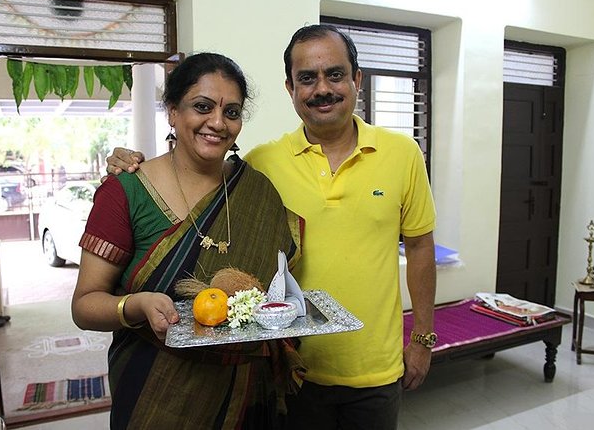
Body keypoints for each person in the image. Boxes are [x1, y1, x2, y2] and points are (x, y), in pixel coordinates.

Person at [107, 25, 436, 430]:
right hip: (288, 366)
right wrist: (131, 162)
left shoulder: (403, 154)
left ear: (357, 79)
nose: (322, 89)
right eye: (307, 78)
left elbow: (420, 247)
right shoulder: (261, 165)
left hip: (376, 369)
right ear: (290, 87)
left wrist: (422, 338)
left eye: (335, 74)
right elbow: (197, 168)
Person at [72, 52, 305, 430]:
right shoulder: (126, 191)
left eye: (232, 112)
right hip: (156, 394)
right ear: (172, 112)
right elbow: (84, 305)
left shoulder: (256, 189)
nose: (217, 122)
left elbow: (277, 292)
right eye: (202, 106)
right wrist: (137, 305)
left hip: (246, 393)